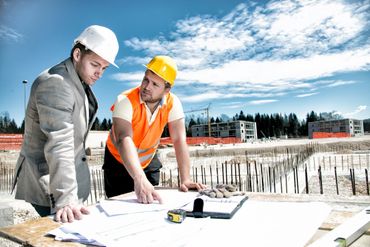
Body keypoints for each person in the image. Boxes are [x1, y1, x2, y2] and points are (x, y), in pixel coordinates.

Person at [12, 25, 119, 223]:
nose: (99, 73)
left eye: (104, 68)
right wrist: (66, 199)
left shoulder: (78, 81)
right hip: (50, 183)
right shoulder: (56, 82)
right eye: (95, 64)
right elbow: (60, 142)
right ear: (77, 54)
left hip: (68, 181)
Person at [103, 55, 206, 203]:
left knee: (151, 204)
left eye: (155, 84)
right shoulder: (125, 100)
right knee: (119, 207)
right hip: (118, 162)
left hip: (148, 162)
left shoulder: (173, 103)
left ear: (166, 90)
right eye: (146, 79)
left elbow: (178, 139)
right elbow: (123, 138)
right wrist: (139, 178)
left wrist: (186, 179)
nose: (146, 87)